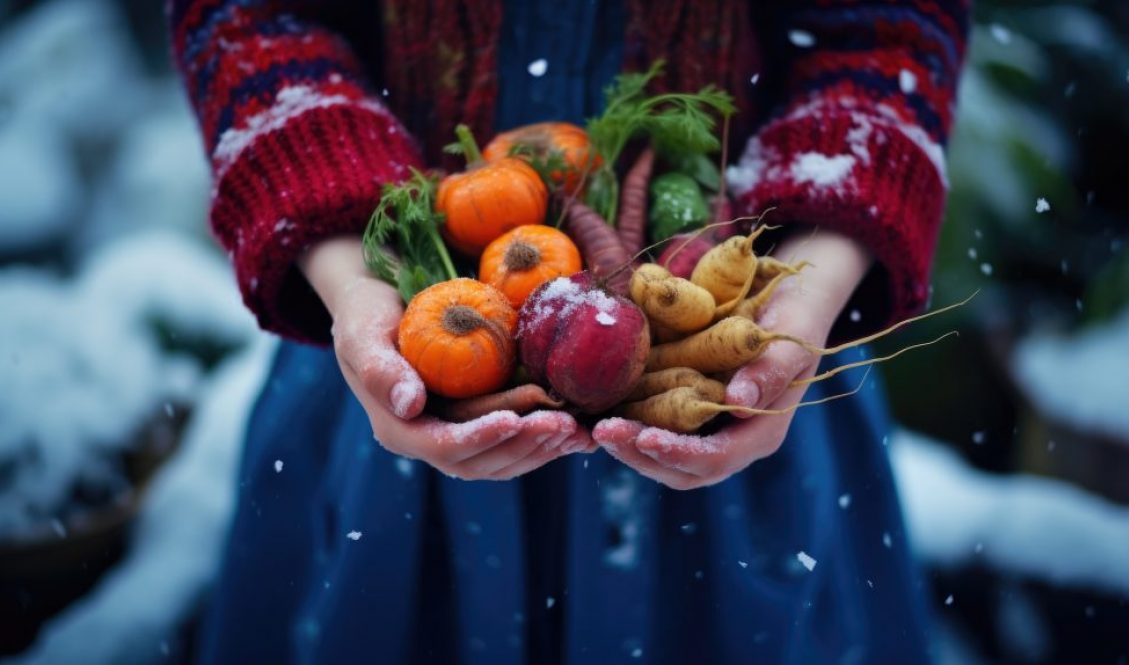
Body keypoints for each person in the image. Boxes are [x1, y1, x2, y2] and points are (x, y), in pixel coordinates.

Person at [168, 0, 968, 662]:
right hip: (402, 344)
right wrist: (351, 285)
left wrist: (808, 293)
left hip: (749, 352)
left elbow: (891, 38)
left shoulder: (754, 342)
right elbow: (246, 19)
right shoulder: (398, 318)